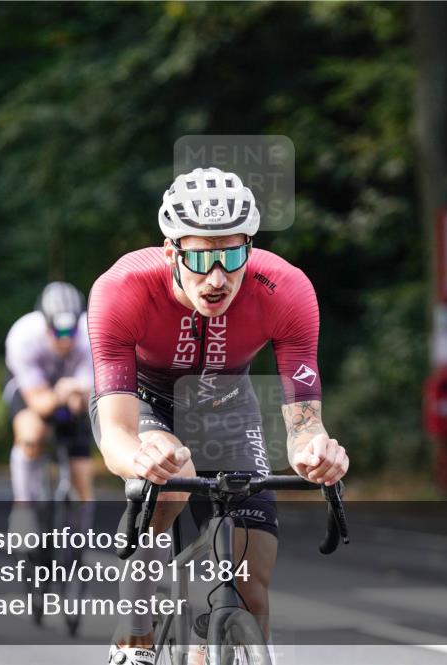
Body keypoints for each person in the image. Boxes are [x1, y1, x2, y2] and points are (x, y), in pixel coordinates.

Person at [88, 167, 349, 665]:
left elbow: (305, 424)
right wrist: (143, 456)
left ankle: (219, 644)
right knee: (176, 475)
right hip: (143, 401)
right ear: (172, 252)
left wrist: (316, 452)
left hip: (227, 405)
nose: (216, 276)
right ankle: (135, 627)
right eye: (201, 256)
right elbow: (116, 432)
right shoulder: (122, 289)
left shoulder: (285, 290)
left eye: (231, 256)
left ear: (249, 249)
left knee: (251, 586)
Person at [4, 282, 95, 538]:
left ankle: (79, 540)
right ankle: (23, 508)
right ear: (45, 324)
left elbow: (90, 395)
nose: (64, 340)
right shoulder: (23, 335)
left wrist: (77, 395)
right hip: (32, 388)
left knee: (82, 476)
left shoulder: (92, 335)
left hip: (74, 389)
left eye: (71, 332)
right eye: (57, 332)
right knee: (31, 435)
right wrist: (59, 394)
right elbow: (38, 403)